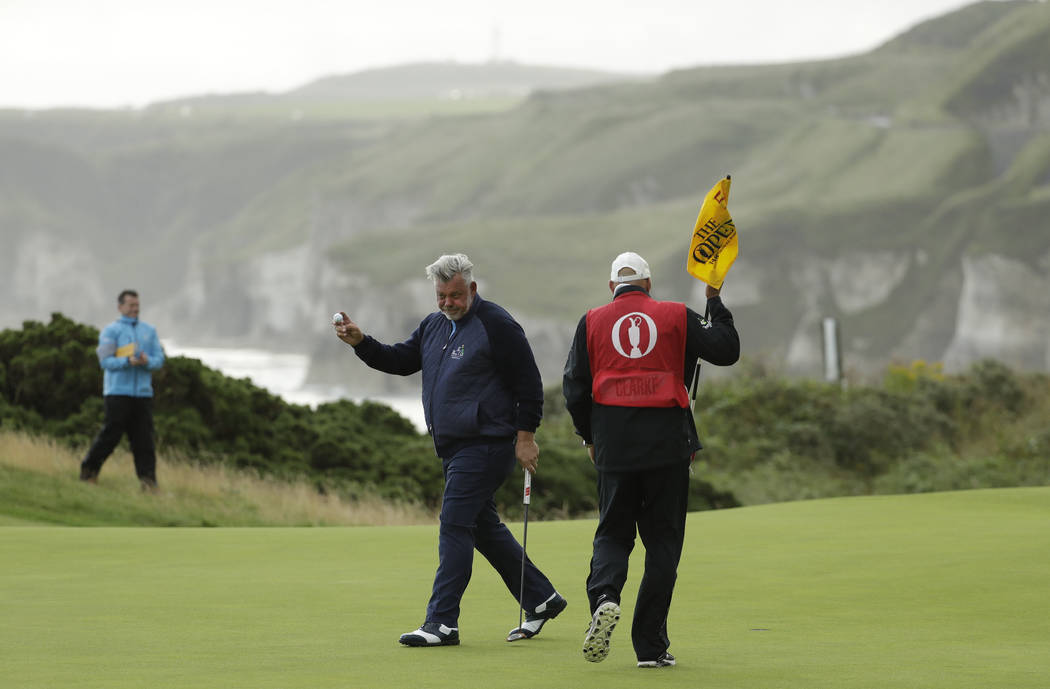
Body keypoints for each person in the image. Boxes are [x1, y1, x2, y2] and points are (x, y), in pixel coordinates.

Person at [333, 253, 566, 647]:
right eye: (442, 296)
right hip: (455, 447)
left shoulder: (497, 324)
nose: (448, 303)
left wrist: (525, 438)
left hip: (488, 443)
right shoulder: (434, 325)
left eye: (456, 295)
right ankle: (542, 599)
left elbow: (529, 382)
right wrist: (362, 343)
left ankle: (442, 623)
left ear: (472, 289)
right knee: (483, 529)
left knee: (455, 523)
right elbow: (401, 360)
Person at [563, 251, 739, 668]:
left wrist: (589, 437)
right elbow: (726, 350)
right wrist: (713, 299)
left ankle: (604, 598)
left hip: (614, 448)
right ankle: (650, 646)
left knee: (612, 535)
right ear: (648, 285)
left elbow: (574, 388)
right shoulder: (677, 315)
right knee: (662, 543)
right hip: (668, 448)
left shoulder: (591, 321)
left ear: (612, 288)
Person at [80, 289, 166, 490]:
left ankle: (148, 483)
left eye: (137, 305)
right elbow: (105, 361)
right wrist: (127, 361)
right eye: (131, 305)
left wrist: (146, 361)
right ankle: (89, 471)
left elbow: (159, 359)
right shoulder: (111, 331)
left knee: (144, 440)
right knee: (110, 435)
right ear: (120, 307)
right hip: (117, 393)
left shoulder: (149, 330)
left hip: (142, 394)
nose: (135, 309)